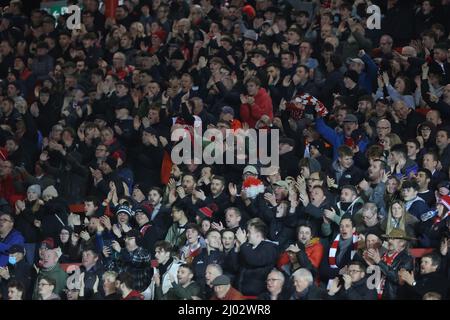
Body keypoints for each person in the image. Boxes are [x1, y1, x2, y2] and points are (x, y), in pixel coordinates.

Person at [365, 228, 414, 300]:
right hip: (375, 295)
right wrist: (372, 266)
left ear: (402, 242)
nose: (389, 241)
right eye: (389, 238)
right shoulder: (384, 254)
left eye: (393, 239)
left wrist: (379, 261)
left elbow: (397, 279)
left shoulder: (406, 259)